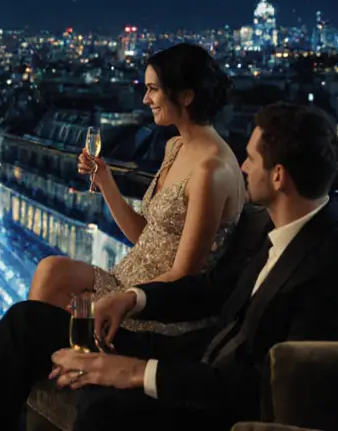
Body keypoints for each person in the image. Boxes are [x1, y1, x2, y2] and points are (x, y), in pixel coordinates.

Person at [0, 102, 338, 430]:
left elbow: (270, 387)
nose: (243, 166)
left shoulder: (332, 272)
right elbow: (212, 288)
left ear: (279, 176)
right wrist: (132, 299)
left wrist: (137, 372)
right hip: (190, 357)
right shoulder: (289, 226)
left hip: (206, 387)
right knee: (25, 322)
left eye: (250, 158)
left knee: (103, 410)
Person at [30, 43, 246, 338]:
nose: (145, 99)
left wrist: (124, 299)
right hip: (126, 281)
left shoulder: (211, 171)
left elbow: (184, 275)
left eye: (153, 89)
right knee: (50, 270)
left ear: (186, 96)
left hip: (154, 306)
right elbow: (145, 237)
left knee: (34, 324)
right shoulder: (176, 146)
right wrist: (105, 180)